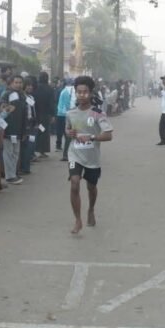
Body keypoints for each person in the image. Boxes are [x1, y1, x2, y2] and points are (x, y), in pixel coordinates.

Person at [66, 75, 114, 234]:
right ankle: (77, 220)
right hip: (74, 154)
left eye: (85, 92)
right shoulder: (70, 113)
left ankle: (91, 209)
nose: (82, 95)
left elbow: (108, 135)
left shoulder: (98, 114)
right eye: (79, 92)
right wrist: (69, 132)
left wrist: (92, 137)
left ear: (91, 93)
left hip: (92, 157)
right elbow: (68, 130)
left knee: (91, 187)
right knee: (74, 183)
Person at [2, 75, 27, 184]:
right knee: (8, 153)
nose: (18, 84)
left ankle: (13, 173)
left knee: (16, 153)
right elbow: (1, 108)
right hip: (8, 128)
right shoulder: (6, 94)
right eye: (16, 82)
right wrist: (7, 108)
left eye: (20, 82)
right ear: (11, 83)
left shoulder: (22, 95)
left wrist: (24, 130)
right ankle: (9, 176)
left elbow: (24, 113)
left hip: (19, 129)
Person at [35, 72, 55, 159]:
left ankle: (35, 149)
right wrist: (53, 115)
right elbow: (52, 103)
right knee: (44, 132)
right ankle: (42, 151)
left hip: (36, 114)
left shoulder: (35, 88)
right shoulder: (50, 89)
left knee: (37, 131)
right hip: (46, 115)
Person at [56, 78, 74, 155]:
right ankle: (66, 152)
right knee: (67, 133)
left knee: (60, 131)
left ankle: (59, 145)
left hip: (60, 113)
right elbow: (67, 104)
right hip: (65, 114)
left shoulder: (63, 91)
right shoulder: (68, 91)